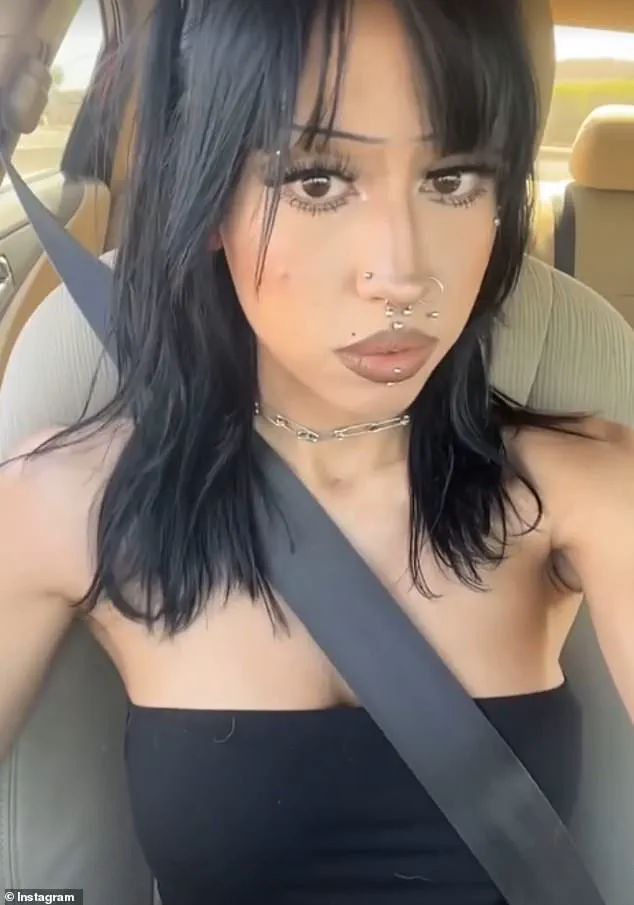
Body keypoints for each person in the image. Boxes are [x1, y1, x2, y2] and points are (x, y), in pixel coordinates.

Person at [1, 0, 633, 902]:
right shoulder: (68, 504)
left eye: (453, 177)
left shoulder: (584, 494)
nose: (401, 273)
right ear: (205, 195)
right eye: (318, 180)